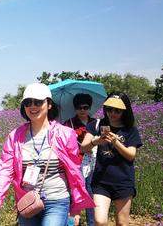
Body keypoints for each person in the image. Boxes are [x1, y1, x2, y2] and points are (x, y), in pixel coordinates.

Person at [0, 83, 95, 225]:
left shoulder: (65, 134)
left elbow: (75, 171)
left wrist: (76, 206)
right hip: (27, 201)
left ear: (49, 104)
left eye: (38, 102)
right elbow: (4, 170)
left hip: (57, 200)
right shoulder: (15, 136)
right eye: (27, 102)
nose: (32, 106)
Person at [80, 93, 143, 226]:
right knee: (100, 221)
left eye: (117, 110)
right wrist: (96, 141)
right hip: (100, 181)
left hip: (123, 181)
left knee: (122, 223)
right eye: (109, 109)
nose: (112, 113)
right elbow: (83, 148)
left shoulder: (130, 130)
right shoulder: (96, 125)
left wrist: (115, 142)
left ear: (124, 111)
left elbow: (131, 155)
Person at [63, 93, 96, 226]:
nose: (82, 110)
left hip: (93, 162)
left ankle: (91, 222)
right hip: (76, 163)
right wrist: (80, 148)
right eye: (79, 107)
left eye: (85, 107)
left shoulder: (95, 123)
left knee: (89, 191)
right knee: (75, 192)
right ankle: (72, 222)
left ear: (89, 108)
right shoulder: (68, 124)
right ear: (75, 108)